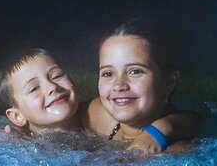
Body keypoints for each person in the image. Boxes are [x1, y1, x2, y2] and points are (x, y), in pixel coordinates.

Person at [0, 43, 201, 153]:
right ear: (16, 117)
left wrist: (158, 131)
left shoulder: (95, 113)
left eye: (57, 76)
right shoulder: (19, 144)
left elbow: (192, 119)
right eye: (34, 88)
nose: (51, 87)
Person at [83, 21, 203, 153]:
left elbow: (197, 120)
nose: (119, 85)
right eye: (107, 73)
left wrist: (160, 131)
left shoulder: (175, 152)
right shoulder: (97, 115)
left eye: (135, 71)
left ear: (169, 82)